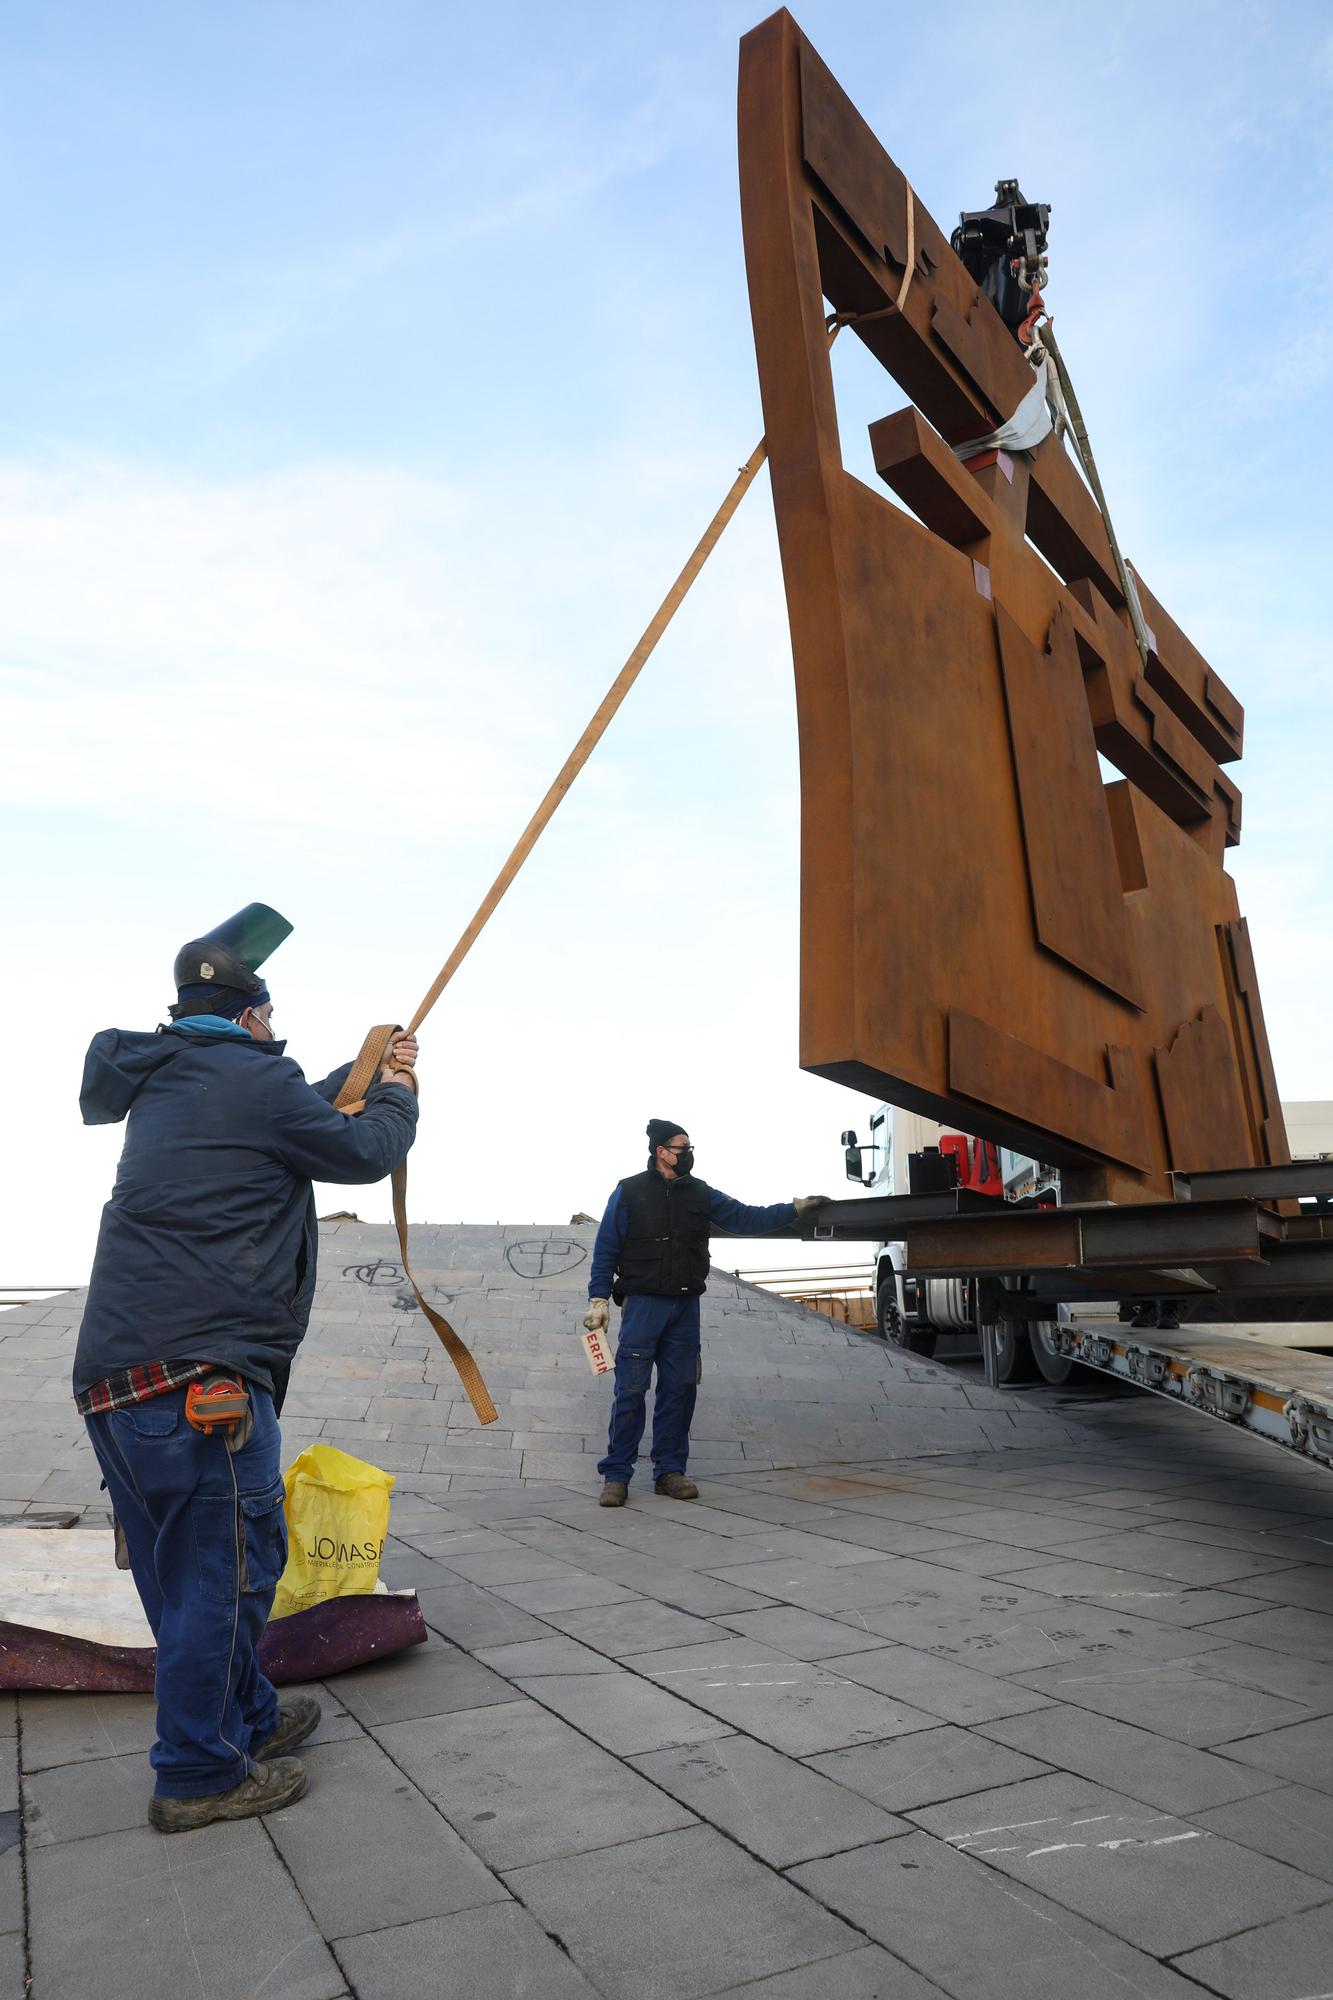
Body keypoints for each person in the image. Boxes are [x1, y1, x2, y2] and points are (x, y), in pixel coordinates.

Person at [73, 903, 420, 1833]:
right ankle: (197, 1774)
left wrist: (361, 1071)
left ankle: (246, 1720)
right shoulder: (246, 1077)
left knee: (186, 1576)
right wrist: (394, 1091)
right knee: (221, 1578)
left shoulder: (170, 1076)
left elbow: (293, 1109)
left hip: (118, 1379)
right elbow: (360, 1147)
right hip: (203, 1378)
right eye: (273, 1025)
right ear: (252, 1018)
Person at [584, 1120, 828, 1505]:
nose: (688, 1155)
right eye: (682, 1149)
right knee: (630, 1389)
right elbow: (606, 1247)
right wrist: (598, 1299)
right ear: (661, 1152)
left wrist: (793, 1209)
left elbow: (747, 1218)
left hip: (685, 1307)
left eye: (689, 1147)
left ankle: (669, 1472)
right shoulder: (629, 1192)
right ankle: (616, 1476)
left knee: (680, 1389)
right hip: (643, 1304)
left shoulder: (700, 1193)